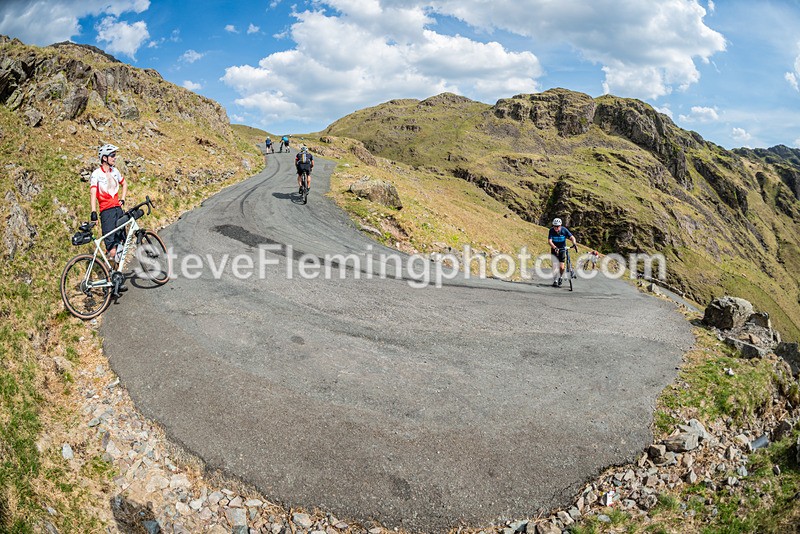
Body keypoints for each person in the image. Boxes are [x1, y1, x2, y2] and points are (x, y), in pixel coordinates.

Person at [90, 144, 127, 266]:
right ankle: (109, 275)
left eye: (115, 155)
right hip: (106, 212)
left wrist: (122, 199)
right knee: (111, 247)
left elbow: (124, 184)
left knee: (122, 242)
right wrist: (93, 212)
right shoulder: (96, 174)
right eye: (112, 155)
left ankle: (117, 275)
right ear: (104, 158)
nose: (115, 158)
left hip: (118, 210)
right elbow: (93, 191)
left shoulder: (115, 171)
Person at [548, 217, 577, 287]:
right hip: (554, 249)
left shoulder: (564, 230)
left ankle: (560, 277)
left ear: (560, 226)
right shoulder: (551, 231)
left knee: (561, 267)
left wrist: (574, 243)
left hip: (562, 249)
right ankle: (555, 280)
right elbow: (549, 241)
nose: (556, 228)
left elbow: (572, 237)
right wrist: (554, 247)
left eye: (557, 226)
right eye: (554, 226)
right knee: (555, 266)